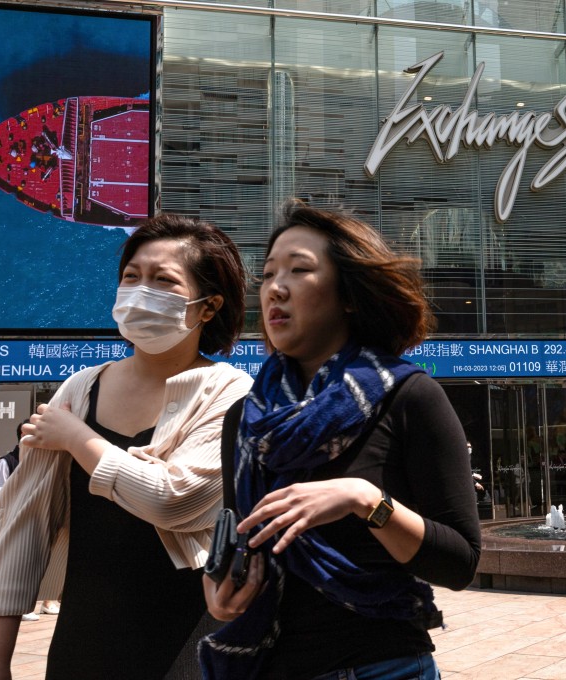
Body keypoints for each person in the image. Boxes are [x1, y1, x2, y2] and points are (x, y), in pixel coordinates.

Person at [200, 203, 482, 679]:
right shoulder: (245, 420)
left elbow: (460, 562)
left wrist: (364, 499)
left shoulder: (410, 396)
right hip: (269, 667)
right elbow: (243, 541)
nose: (276, 288)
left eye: (299, 270)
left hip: (382, 666)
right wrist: (221, 587)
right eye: (268, 275)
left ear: (348, 294)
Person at [0, 213, 253, 680]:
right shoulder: (79, 390)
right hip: (85, 639)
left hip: (189, 645)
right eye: (131, 277)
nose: (141, 291)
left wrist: (77, 438)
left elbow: (175, 499)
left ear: (208, 306)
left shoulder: (231, 392)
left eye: (164, 281)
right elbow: (24, 524)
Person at [0, 420, 58, 620]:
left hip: (40, 516)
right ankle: (22, 606)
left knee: (46, 560)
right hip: (16, 519)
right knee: (20, 563)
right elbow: (0, 493)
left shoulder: (43, 459)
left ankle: (48, 601)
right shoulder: (7, 461)